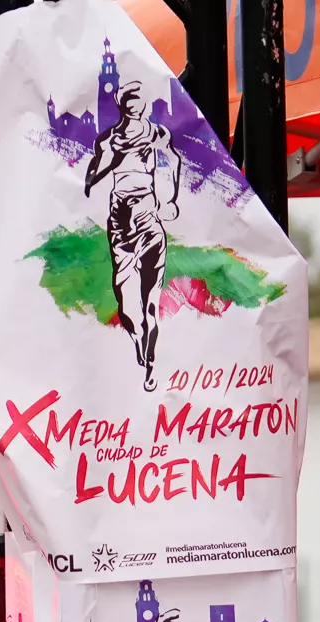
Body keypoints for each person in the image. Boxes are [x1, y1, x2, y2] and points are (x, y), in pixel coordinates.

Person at [85, 80, 181, 392]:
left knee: (151, 301)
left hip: (147, 215)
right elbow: (94, 170)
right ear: (120, 102)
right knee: (127, 307)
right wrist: (94, 176)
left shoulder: (156, 134)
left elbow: (173, 160)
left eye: (138, 98)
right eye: (128, 98)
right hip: (119, 219)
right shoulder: (110, 139)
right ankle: (140, 341)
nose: (133, 103)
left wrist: (169, 200)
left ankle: (152, 366)